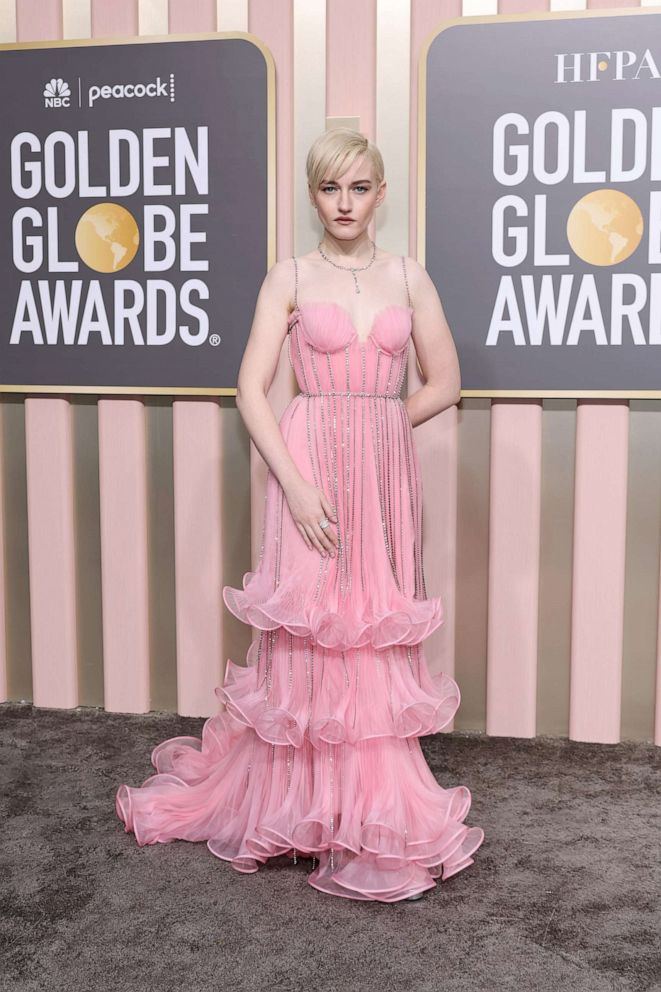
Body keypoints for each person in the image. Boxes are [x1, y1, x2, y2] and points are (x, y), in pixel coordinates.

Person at [115, 127, 484, 903]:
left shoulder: (409, 278)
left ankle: (364, 806)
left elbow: (445, 379)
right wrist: (300, 478)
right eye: (328, 188)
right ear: (312, 195)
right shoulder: (287, 276)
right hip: (306, 466)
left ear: (380, 193)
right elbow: (250, 388)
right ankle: (298, 807)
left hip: (380, 476)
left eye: (357, 187)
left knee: (368, 621)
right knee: (314, 623)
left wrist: (379, 432)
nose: (343, 203)